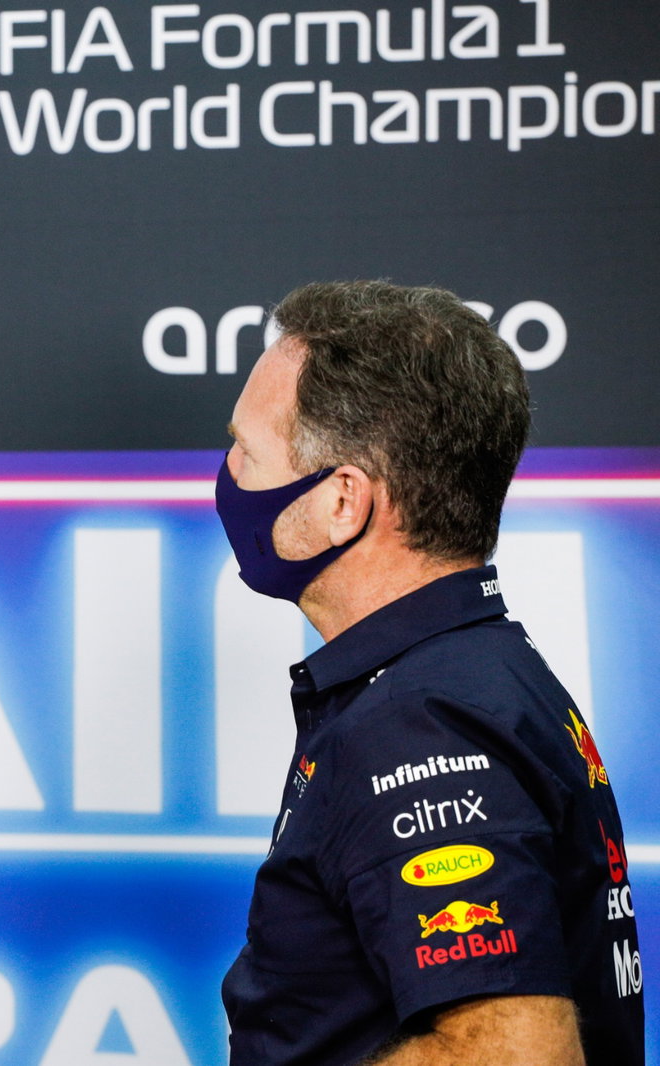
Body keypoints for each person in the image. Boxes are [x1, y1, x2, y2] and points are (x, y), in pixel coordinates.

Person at [216, 281, 643, 1064]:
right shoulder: (471, 675)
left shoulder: (418, 722)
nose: (229, 475)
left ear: (343, 500)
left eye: (246, 449)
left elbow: (515, 1059)